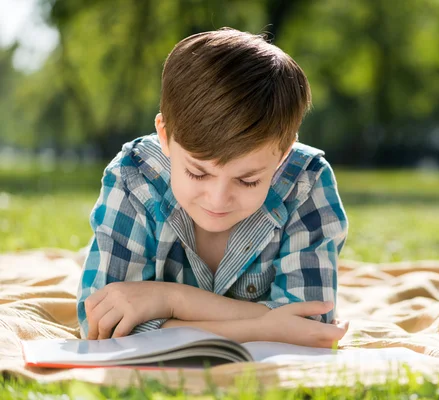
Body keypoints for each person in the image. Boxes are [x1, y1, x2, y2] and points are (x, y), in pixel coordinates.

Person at [76, 28, 349, 348]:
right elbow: (100, 324)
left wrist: (171, 300)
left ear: (284, 151)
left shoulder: (306, 181)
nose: (218, 199)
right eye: (197, 173)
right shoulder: (135, 177)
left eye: (248, 180)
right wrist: (266, 326)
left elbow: (310, 325)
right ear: (164, 136)